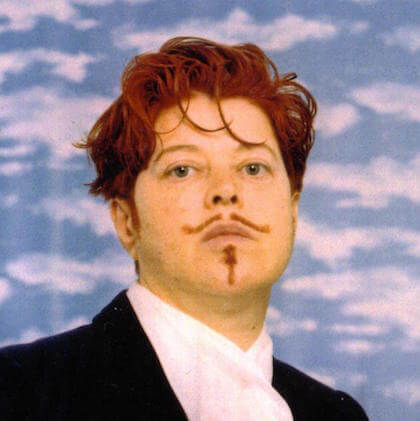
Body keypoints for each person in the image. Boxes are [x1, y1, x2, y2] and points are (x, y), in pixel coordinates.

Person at [0, 37, 368, 420]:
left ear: (292, 210)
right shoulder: (19, 391)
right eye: (182, 170)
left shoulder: (335, 414)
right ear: (127, 221)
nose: (226, 191)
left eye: (253, 168)